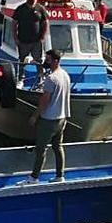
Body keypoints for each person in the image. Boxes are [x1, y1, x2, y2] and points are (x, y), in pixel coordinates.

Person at [21, 49, 71, 184]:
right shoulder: (65, 75)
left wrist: (34, 116)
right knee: (58, 147)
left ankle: (34, 177)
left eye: (48, 60)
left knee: (40, 149)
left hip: (49, 119)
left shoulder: (51, 78)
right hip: (62, 118)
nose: (45, 62)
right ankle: (60, 175)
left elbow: (45, 100)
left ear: (55, 61)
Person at [13, 0, 48, 82]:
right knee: (21, 61)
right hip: (23, 41)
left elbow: (45, 23)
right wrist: (15, 38)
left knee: (39, 62)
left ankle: (41, 79)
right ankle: (20, 79)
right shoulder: (20, 9)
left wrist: (42, 37)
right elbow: (14, 23)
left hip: (36, 42)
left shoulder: (40, 8)